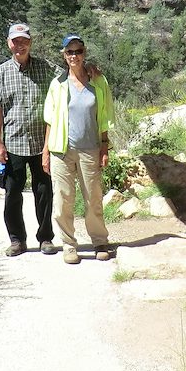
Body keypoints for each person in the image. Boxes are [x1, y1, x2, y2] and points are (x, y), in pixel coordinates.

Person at [0, 23, 62, 257]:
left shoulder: (45, 67)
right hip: (14, 143)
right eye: (16, 41)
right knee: (12, 193)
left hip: (42, 143)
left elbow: (69, 74)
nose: (20, 45)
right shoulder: (2, 72)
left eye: (24, 40)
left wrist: (89, 69)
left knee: (44, 191)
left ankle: (46, 238)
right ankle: (17, 240)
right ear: (9, 43)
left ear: (30, 42)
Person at [42, 34, 114, 264]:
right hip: (61, 150)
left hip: (90, 148)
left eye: (78, 51)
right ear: (64, 55)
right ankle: (69, 245)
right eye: (70, 52)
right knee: (63, 198)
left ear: (84, 53)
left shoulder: (98, 82)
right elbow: (50, 120)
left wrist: (104, 145)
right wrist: (46, 151)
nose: (74, 56)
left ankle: (99, 241)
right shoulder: (58, 84)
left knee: (93, 196)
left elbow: (103, 116)